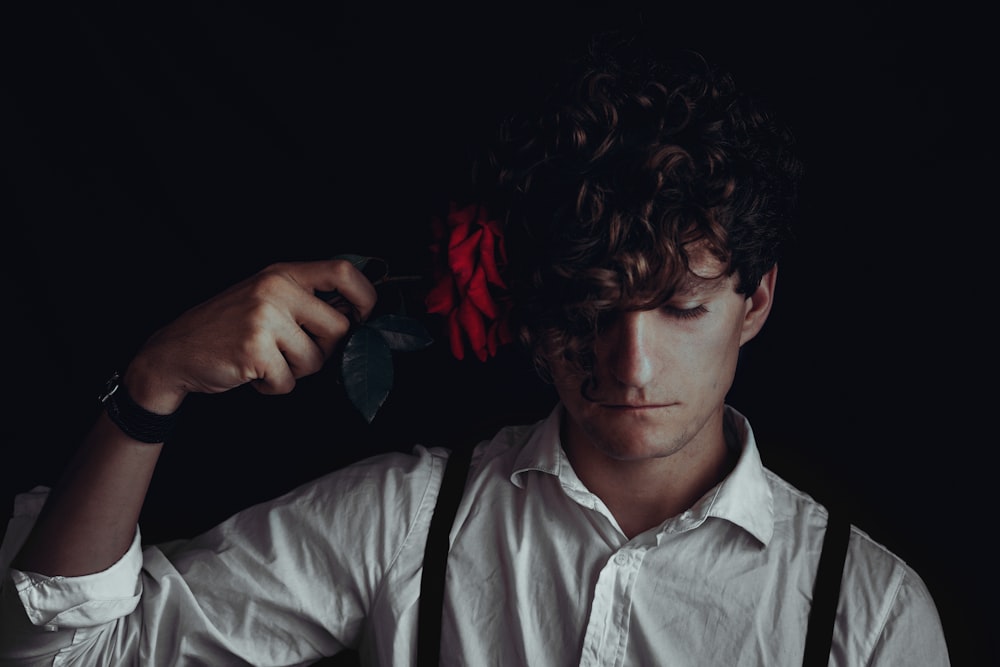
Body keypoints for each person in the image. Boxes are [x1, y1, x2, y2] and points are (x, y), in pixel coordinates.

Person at [0, 31, 950, 666]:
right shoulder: (409, 519)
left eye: (680, 310)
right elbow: (74, 655)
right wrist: (150, 385)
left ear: (757, 301)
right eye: (589, 309)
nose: (630, 366)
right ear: (532, 317)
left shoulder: (866, 613)